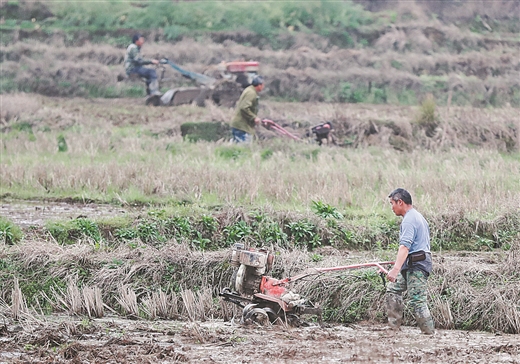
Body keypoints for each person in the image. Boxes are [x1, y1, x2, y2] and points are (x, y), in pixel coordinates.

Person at [385, 188, 435, 335]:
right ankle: (393, 329)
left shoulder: (409, 220)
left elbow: (405, 247)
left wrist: (395, 269)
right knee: (393, 290)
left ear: (400, 202)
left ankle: (429, 334)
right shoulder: (416, 216)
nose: (392, 207)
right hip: (411, 264)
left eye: (392, 203)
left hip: (417, 265)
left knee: (417, 301)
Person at [230, 75, 264, 143]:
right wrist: (254, 118)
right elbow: (244, 107)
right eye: (263, 85)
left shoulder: (249, 90)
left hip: (239, 125)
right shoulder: (251, 93)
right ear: (259, 85)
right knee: (244, 148)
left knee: (236, 148)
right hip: (242, 127)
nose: (263, 87)